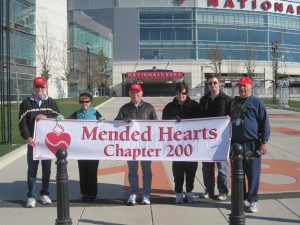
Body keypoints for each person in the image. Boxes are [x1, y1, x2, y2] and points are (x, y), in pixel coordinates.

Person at [19, 76, 63, 208]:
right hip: (33, 143)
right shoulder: (26, 103)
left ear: (45, 88)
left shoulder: (51, 102)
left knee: (47, 169)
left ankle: (44, 194)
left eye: (42, 87)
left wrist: (46, 117)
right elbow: (22, 123)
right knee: (32, 170)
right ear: (33, 87)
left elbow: (59, 118)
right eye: (37, 87)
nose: (39, 89)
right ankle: (31, 196)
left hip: (47, 144)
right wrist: (27, 137)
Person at [229, 76, 270, 213]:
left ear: (250, 87)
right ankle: (240, 198)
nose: (241, 88)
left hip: (251, 145)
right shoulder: (233, 102)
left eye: (244, 86)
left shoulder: (256, 102)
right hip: (236, 146)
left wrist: (263, 142)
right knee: (237, 174)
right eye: (239, 86)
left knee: (252, 173)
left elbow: (264, 122)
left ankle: (253, 200)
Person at [115, 83, 158, 205]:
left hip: (145, 147)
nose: (135, 94)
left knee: (147, 171)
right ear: (129, 94)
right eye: (133, 92)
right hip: (130, 146)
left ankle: (146, 194)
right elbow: (115, 124)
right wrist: (122, 120)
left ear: (141, 93)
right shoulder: (125, 108)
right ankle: (133, 193)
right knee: (133, 171)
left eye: (137, 92)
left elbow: (156, 126)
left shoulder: (149, 108)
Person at [162, 81, 200, 204]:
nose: (181, 96)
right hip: (176, 145)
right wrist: (171, 120)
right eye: (178, 93)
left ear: (187, 93)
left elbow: (203, 122)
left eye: (183, 93)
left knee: (191, 169)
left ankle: (189, 192)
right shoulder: (169, 107)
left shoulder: (195, 106)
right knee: (178, 170)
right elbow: (162, 124)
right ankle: (179, 192)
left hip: (191, 144)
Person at [199, 74, 231, 201]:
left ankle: (223, 191)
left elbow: (231, 119)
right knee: (207, 166)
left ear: (219, 83)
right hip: (206, 139)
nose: (212, 85)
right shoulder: (203, 100)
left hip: (221, 141)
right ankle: (209, 190)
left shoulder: (227, 100)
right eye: (210, 83)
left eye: (214, 83)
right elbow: (199, 118)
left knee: (222, 167)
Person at [68, 92, 104, 201]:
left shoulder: (95, 113)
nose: (84, 103)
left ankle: (92, 193)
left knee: (92, 170)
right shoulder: (76, 113)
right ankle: (84, 192)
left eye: (87, 101)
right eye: (82, 102)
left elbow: (104, 126)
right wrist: (59, 119)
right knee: (83, 169)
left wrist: (103, 121)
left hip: (93, 148)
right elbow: (66, 121)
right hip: (81, 148)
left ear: (90, 102)